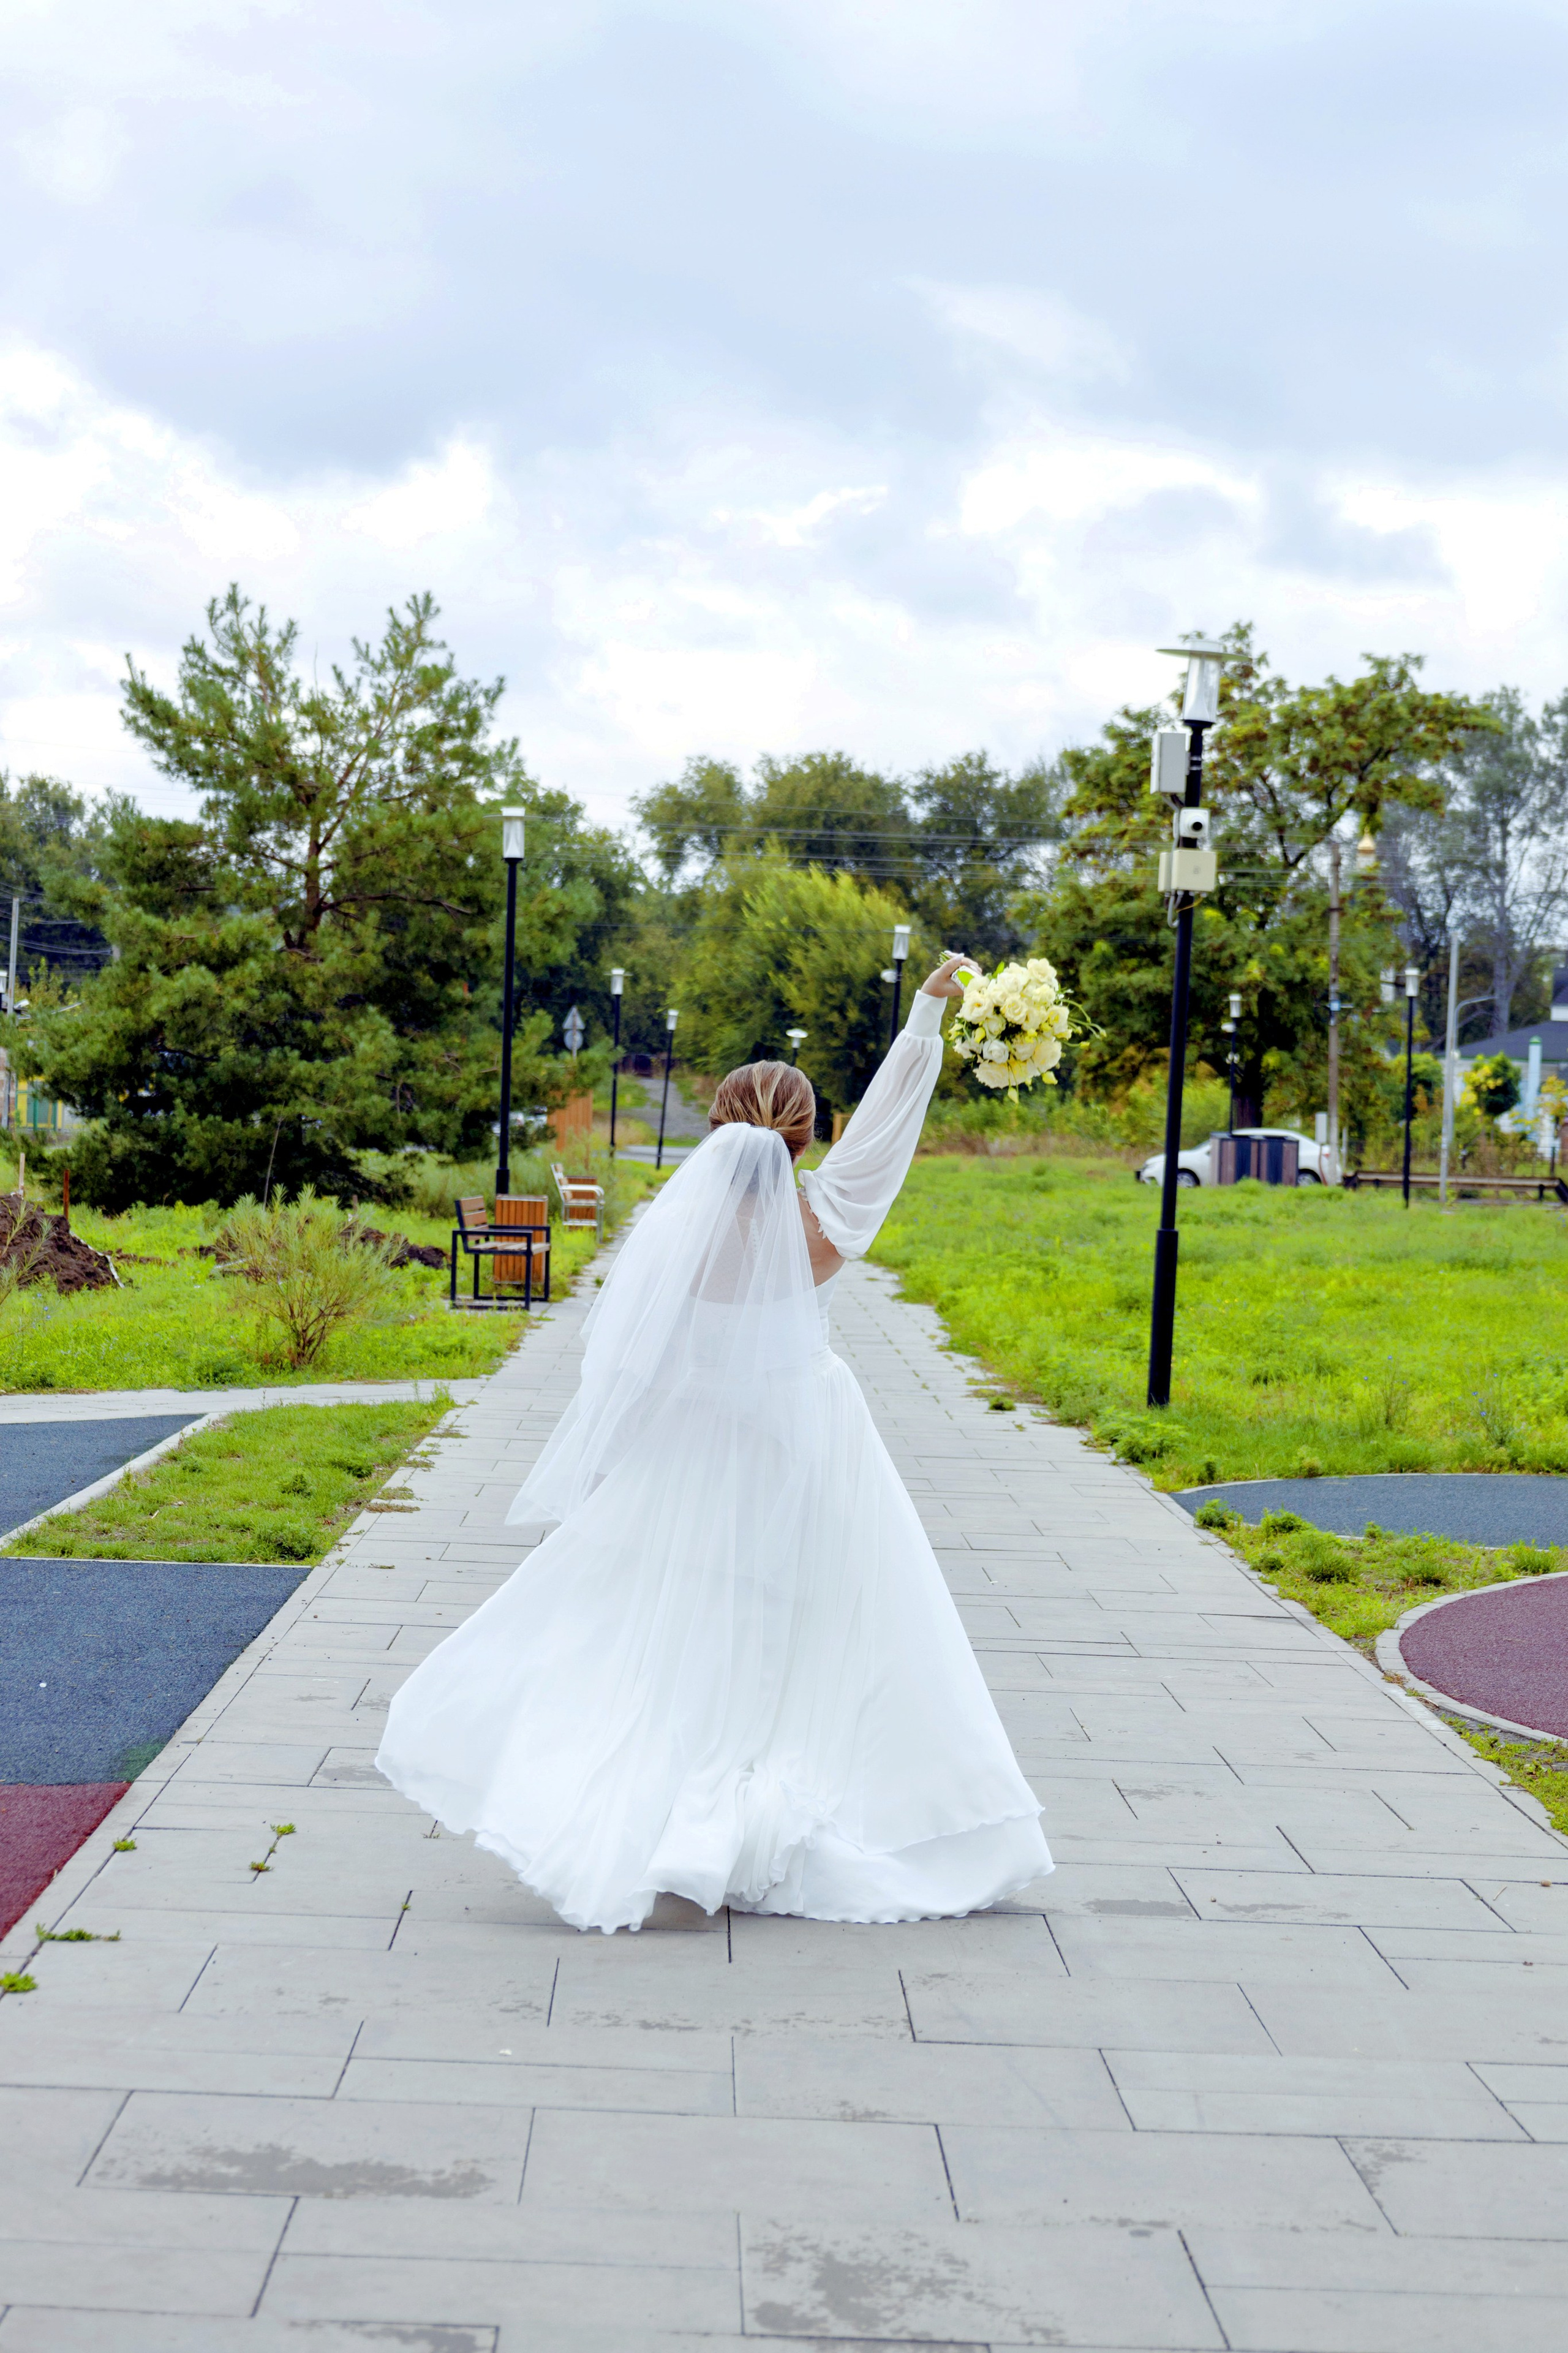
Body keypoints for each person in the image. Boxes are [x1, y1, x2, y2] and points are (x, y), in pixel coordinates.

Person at [377, 953, 1051, 1932]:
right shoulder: (824, 1216)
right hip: (807, 1443)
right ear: (808, 1135)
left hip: (696, 1447)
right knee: (816, 1632)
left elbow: (626, 1360)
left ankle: (657, 1804)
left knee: (667, 1631)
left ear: (723, 1126)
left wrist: (620, 1461)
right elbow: (887, 1134)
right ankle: (780, 1799)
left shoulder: (678, 1229)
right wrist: (926, 1019)